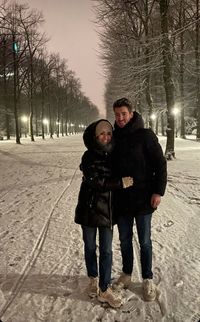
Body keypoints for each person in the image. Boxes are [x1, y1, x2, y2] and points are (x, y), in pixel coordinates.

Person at [111, 97, 167, 301]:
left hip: (144, 199)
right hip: (122, 200)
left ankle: (147, 278)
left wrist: (158, 192)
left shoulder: (146, 136)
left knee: (144, 241)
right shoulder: (114, 138)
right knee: (125, 240)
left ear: (131, 114)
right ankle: (126, 274)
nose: (120, 118)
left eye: (123, 114)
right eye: (117, 114)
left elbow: (160, 164)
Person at [75, 119, 133, 308]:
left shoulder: (115, 154)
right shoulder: (88, 156)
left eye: (108, 133)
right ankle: (93, 277)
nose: (106, 136)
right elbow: (95, 181)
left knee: (107, 250)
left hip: (108, 210)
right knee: (90, 246)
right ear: (95, 136)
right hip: (90, 208)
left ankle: (104, 288)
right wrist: (119, 183)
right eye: (102, 133)